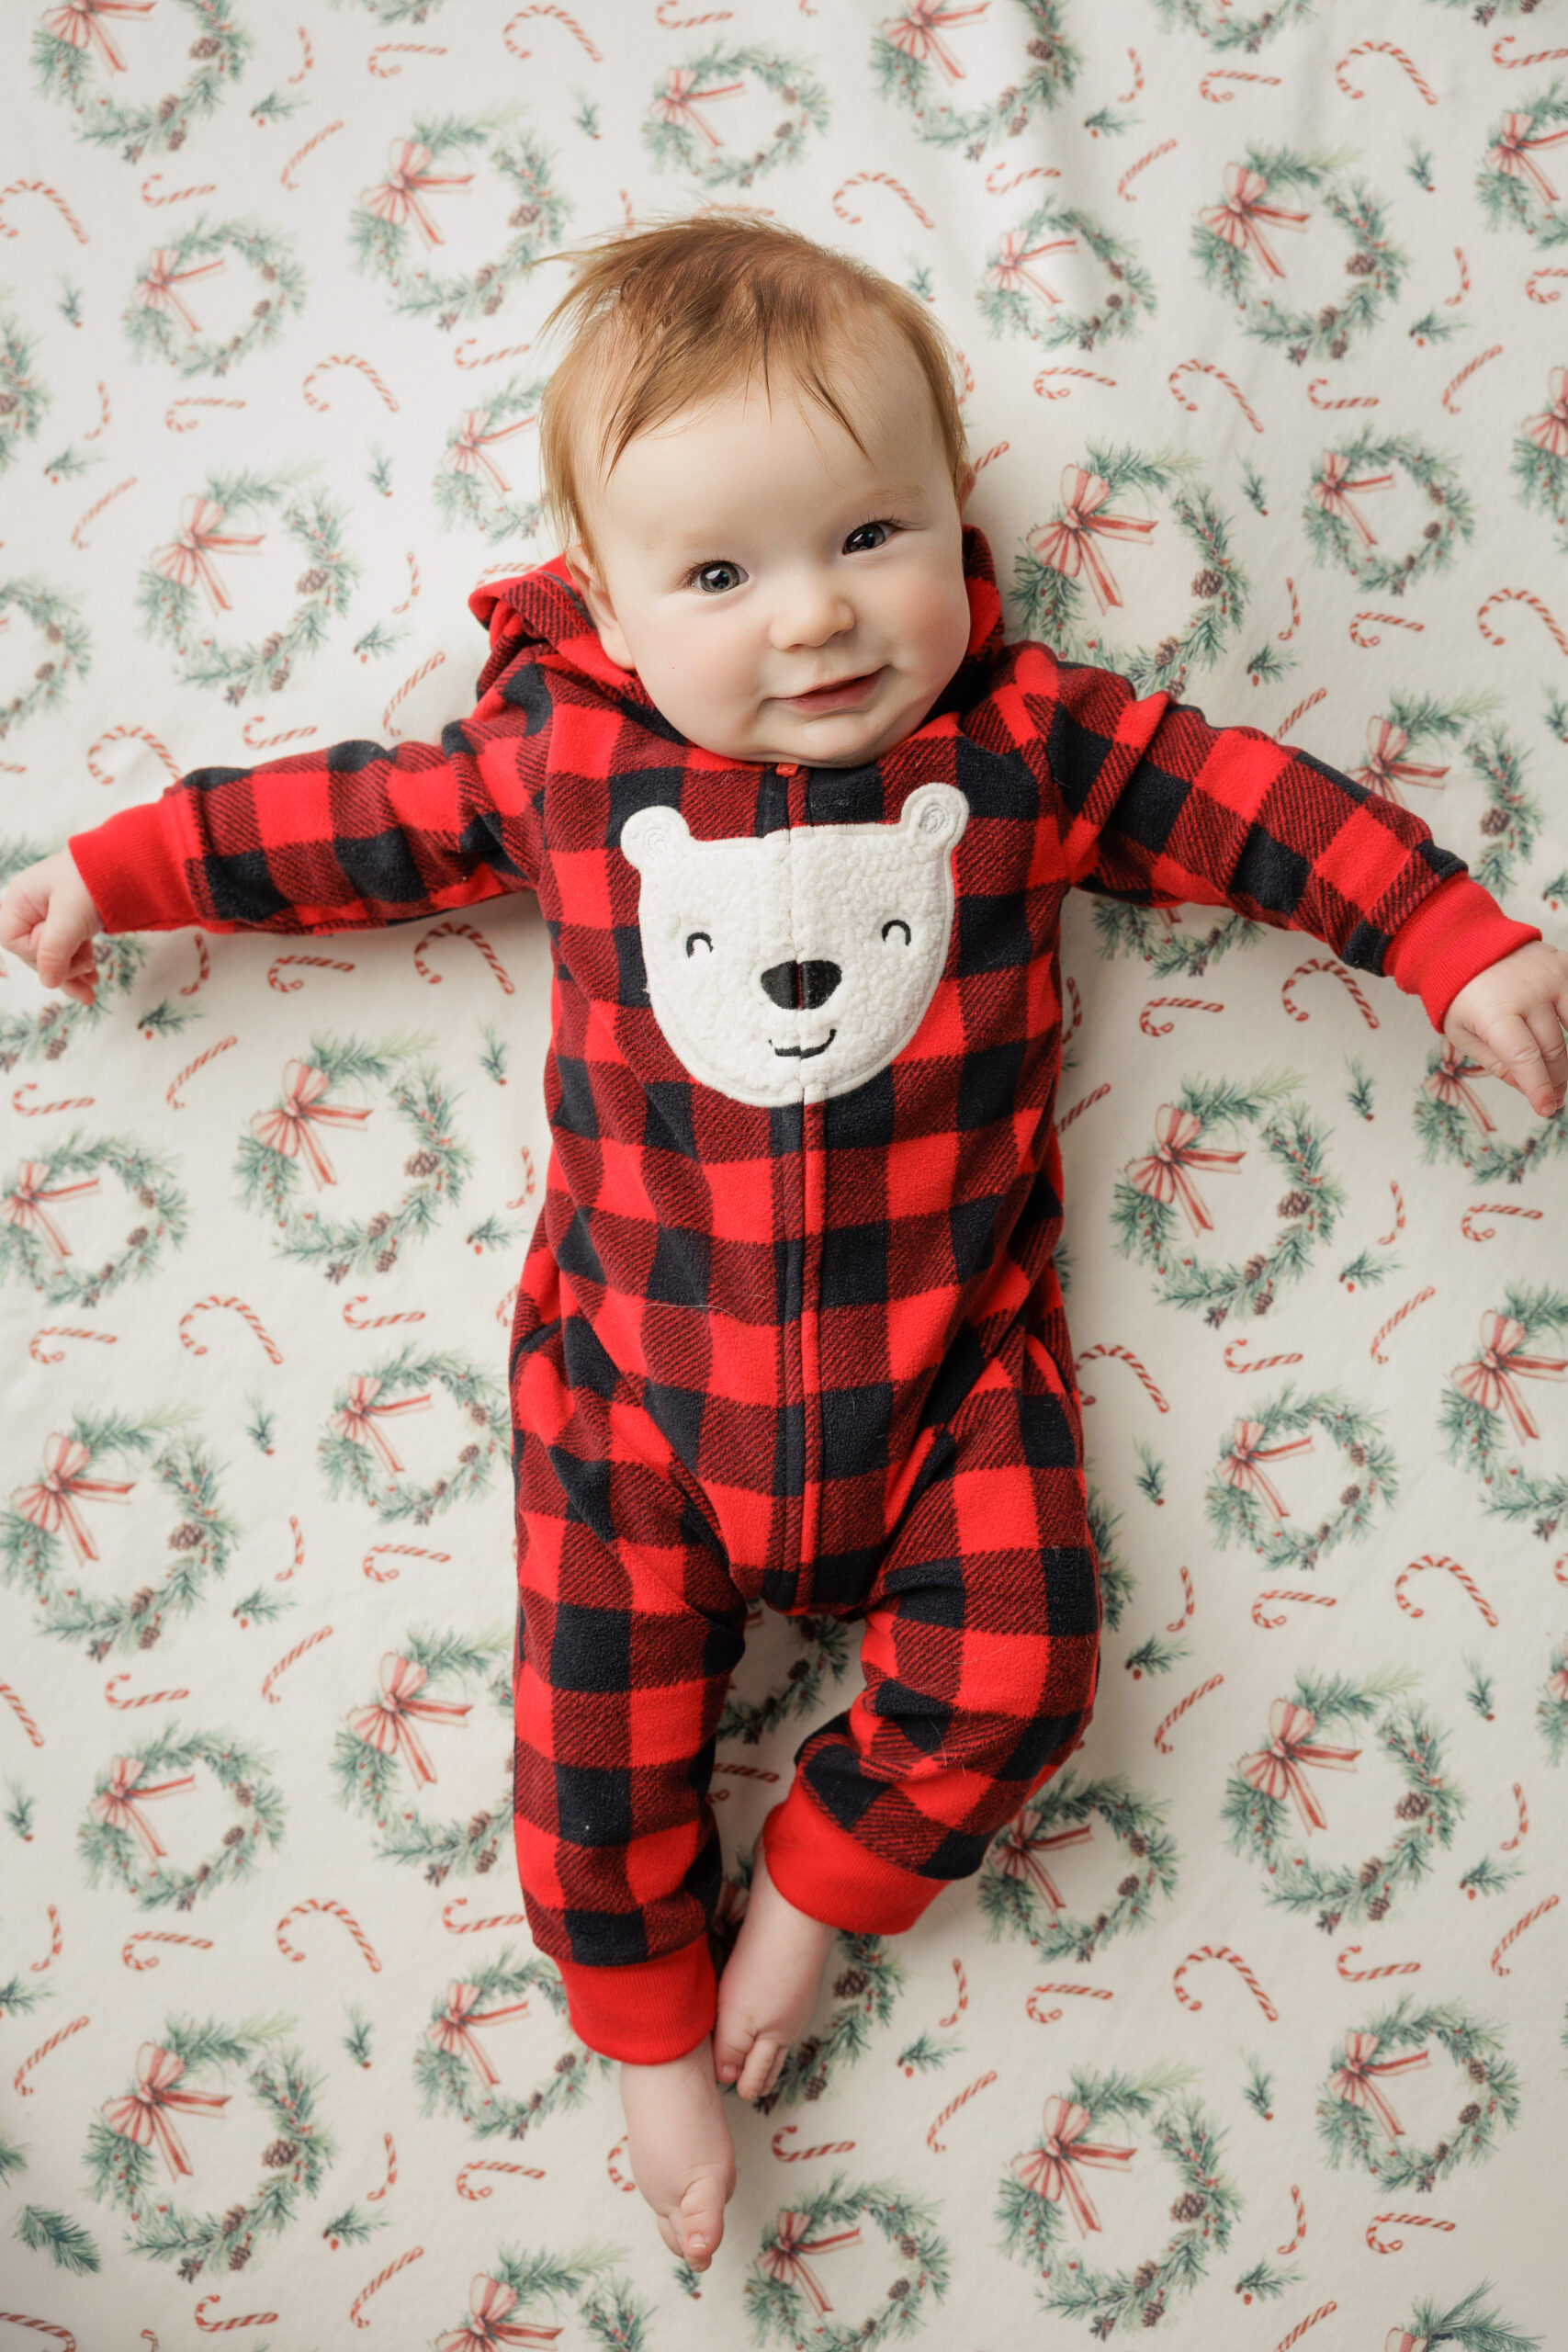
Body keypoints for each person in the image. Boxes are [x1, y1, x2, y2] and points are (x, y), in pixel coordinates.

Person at [5, 213, 1566, 2275]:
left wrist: (1449, 944)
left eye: (867, 534)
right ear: (604, 604)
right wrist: (123, 866)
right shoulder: (563, 758)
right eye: (721, 575)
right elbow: (347, 819)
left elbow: (1258, 805)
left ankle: (810, 1898)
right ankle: (651, 2038)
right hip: (637, 1385)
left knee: (1018, 1668)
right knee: (582, 1738)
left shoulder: (1026, 743)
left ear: (950, 525)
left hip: (942, 1371)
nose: (816, 618)